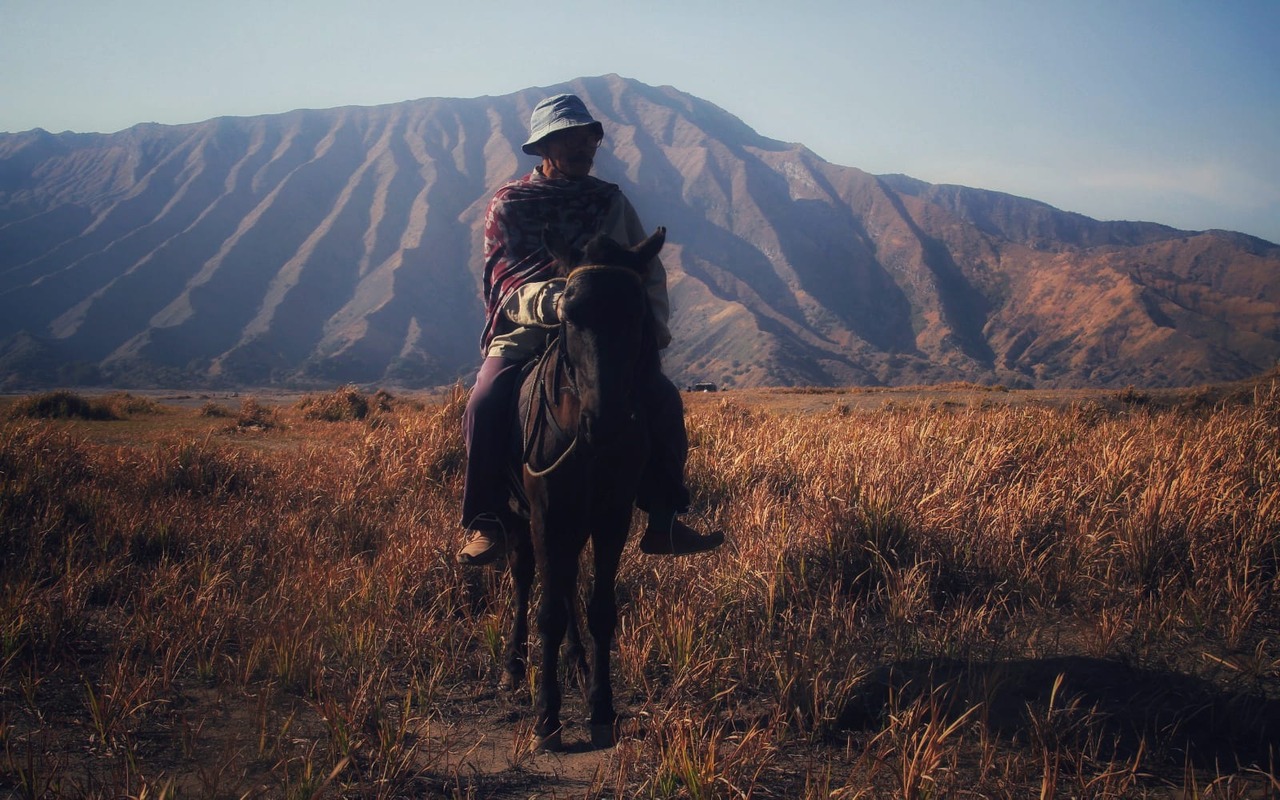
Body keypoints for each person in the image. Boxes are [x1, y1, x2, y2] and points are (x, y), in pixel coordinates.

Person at [457, 93, 725, 566]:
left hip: (601, 333)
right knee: (486, 397)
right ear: (544, 148)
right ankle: (487, 519)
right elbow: (505, 276)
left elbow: (645, 269)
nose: (584, 148)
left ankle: (664, 515)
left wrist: (650, 332)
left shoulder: (609, 201)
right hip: (529, 328)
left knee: (661, 398)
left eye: (589, 139)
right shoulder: (510, 204)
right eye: (570, 139)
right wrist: (555, 304)